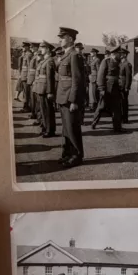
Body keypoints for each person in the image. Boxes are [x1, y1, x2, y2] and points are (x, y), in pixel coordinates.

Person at [56, 27, 85, 169]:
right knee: (66, 129)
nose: (59, 40)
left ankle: (77, 156)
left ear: (70, 39)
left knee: (72, 128)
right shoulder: (65, 55)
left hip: (69, 98)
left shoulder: (74, 55)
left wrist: (74, 100)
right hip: (63, 96)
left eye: (62, 37)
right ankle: (67, 154)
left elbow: (77, 79)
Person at [94, 45, 123, 131]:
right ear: (114, 54)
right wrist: (101, 88)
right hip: (107, 88)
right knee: (101, 106)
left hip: (116, 89)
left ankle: (117, 127)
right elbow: (100, 75)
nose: (120, 55)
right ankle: (94, 122)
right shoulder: (105, 61)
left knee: (117, 108)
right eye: (119, 53)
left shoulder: (118, 62)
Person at [33, 41, 57, 138]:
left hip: (45, 89)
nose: (40, 49)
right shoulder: (44, 61)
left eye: (43, 48)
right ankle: (45, 128)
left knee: (47, 111)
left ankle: (50, 130)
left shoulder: (50, 61)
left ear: (48, 50)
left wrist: (50, 91)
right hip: (41, 88)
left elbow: (50, 78)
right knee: (43, 110)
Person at [26, 43, 40, 122]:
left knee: (34, 99)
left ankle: (35, 114)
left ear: (36, 48)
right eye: (30, 46)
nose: (31, 48)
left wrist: (35, 80)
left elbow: (37, 69)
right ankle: (33, 113)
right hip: (31, 79)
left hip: (34, 79)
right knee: (32, 98)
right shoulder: (34, 55)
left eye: (32, 47)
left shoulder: (37, 56)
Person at [119, 49, 132, 124]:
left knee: (124, 102)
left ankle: (125, 118)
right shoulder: (121, 63)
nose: (120, 55)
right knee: (120, 102)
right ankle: (121, 117)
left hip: (124, 86)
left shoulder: (127, 64)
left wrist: (127, 87)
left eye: (122, 54)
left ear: (125, 55)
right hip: (120, 85)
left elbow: (128, 77)